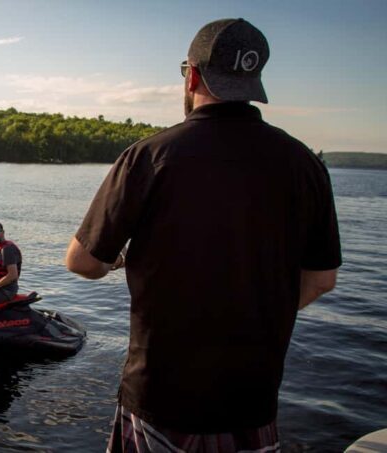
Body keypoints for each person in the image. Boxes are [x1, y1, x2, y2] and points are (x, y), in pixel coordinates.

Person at [65, 18, 341, 452]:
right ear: (253, 83)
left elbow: (83, 261)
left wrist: (119, 260)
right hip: (252, 402)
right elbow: (322, 279)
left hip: (161, 399)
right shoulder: (305, 164)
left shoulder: (150, 156)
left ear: (192, 75)